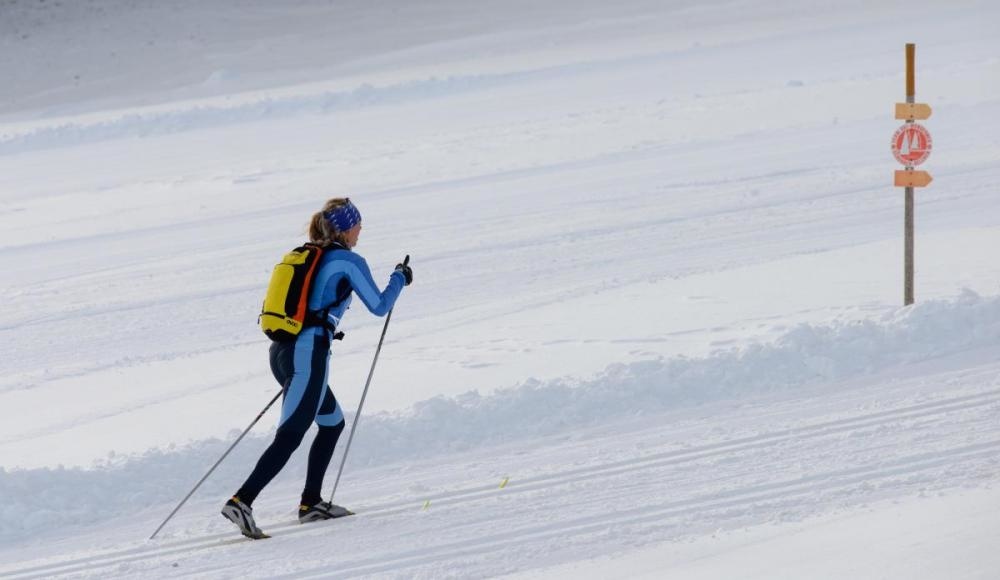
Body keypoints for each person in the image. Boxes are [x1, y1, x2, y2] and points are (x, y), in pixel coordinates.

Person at [221, 197, 413, 539]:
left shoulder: (307, 255)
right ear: (345, 227)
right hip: (308, 355)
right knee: (290, 435)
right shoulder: (348, 261)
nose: (360, 232)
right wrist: (399, 278)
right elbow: (380, 306)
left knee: (332, 422)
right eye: (358, 226)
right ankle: (242, 501)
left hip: (282, 350)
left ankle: (311, 504)